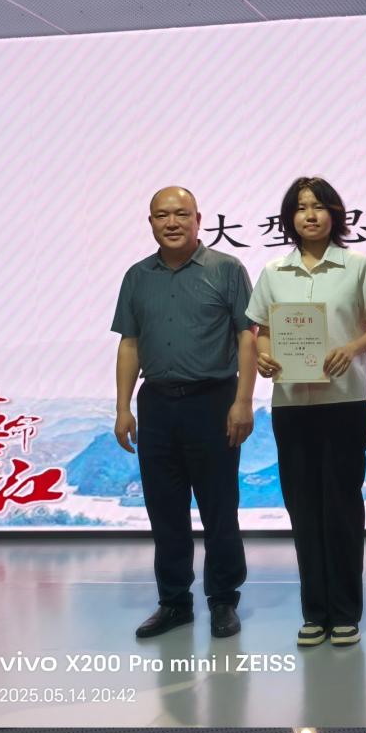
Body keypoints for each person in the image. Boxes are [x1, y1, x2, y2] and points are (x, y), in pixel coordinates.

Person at [246, 176, 366, 647]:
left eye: (319, 206)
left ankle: (345, 612)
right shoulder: (274, 272)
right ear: (290, 217)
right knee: (303, 509)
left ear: (334, 214)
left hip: (345, 401)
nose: (310, 215)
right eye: (301, 207)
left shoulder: (357, 266)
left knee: (342, 508)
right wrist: (264, 356)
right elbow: (262, 332)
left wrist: (351, 348)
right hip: (291, 404)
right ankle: (315, 613)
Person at [112, 185, 255, 639]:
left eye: (181, 214)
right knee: (164, 508)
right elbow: (130, 343)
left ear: (199, 220)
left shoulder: (227, 270)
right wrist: (122, 407)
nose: (171, 222)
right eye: (162, 215)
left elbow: (247, 337)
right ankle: (174, 602)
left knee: (219, 507)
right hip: (155, 403)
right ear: (150, 222)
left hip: (213, 401)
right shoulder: (137, 276)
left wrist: (243, 400)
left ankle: (223, 599)